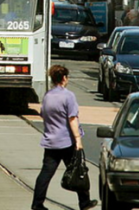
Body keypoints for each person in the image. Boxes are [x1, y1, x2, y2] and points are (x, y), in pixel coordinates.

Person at [31, 65, 97, 210]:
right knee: (78, 171)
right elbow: (72, 118)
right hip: (67, 141)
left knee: (45, 174)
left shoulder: (48, 96)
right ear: (64, 78)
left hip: (50, 141)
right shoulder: (68, 96)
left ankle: (37, 203)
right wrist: (78, 139)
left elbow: (43, 114)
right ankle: (84, 202)